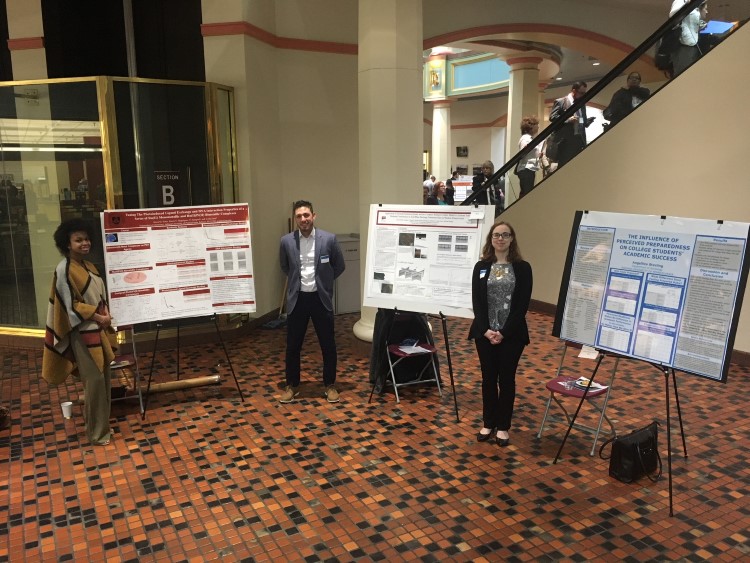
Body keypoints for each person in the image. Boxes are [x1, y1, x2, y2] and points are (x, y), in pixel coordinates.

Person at [42, 218, 115, 446]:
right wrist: (98, 315)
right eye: (78, 240)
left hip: (97, 330)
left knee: (104, 380)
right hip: (82, 333)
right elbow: (70, 305)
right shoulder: (64, 269)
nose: (85, 243)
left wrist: (104, 316)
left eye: (86, 239)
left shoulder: (89, 266)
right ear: (67, 243)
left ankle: (103, 428)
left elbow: (99, 296)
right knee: (94, 382)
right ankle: (97, 434)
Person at [468, 220, 532, 447]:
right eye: (496, 235)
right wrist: (486, 330)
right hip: (484, 332)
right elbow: (478, 301)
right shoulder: (481, 267)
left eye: (505, 235)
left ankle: (503, 426)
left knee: (506, 379)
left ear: (512, 239)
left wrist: (503, 332)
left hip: (511, 335)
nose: (501, 239)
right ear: (491, 239)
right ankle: (488, 422)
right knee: (488, 379)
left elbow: (521, 305)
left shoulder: (523, 268)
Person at [279, 200, 345, 403]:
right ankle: (292, 385)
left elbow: (339, 266)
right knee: (293, 346)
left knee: (328, 345)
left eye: (306, 215)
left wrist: (323, 282)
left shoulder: (329, 239)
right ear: (295, 219)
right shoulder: (286, 241)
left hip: (320, 298)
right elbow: (285, 267)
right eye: (299, 216)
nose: (303, 219)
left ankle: (330, 385)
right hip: (297, 299)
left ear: (313, 216)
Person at [549, 81, 595, 168]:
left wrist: (586, 122)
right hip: (565, 142)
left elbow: (581, 120)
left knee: (578, 167)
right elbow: (552, 117)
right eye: (582, 93)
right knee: (565, 167)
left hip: (579, 140)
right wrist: (567, 119)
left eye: (585, 93)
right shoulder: (561, 102)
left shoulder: (582, 104)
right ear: (574, 91)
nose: (583, 95)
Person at [669, 0, 708, 77]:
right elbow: (672, 15)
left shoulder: (696, 6)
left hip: (692, 45)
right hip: (682, 46)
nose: (707, 11)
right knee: (682, 74)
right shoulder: (681, 1)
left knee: (691, 74)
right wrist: (687, 3)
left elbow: (688, 22)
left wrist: (700, 25)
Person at [515, 116, 541, 198]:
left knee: (526, 193)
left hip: (528, 169)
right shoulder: (526, 139)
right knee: (526, 194)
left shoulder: (529, 138)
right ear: (531, 126)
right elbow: (523, 153)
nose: (538, 126)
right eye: (536, 124)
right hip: (526, 169)